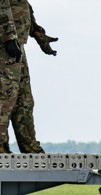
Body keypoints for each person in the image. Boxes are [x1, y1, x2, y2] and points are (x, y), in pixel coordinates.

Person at [0, 0, 58, 154]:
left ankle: (30, 147)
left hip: (16, 45)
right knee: (5, 98)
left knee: (24, 100)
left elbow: (21, 5)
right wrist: (9, 37)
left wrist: (38, 34)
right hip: (4, 47)